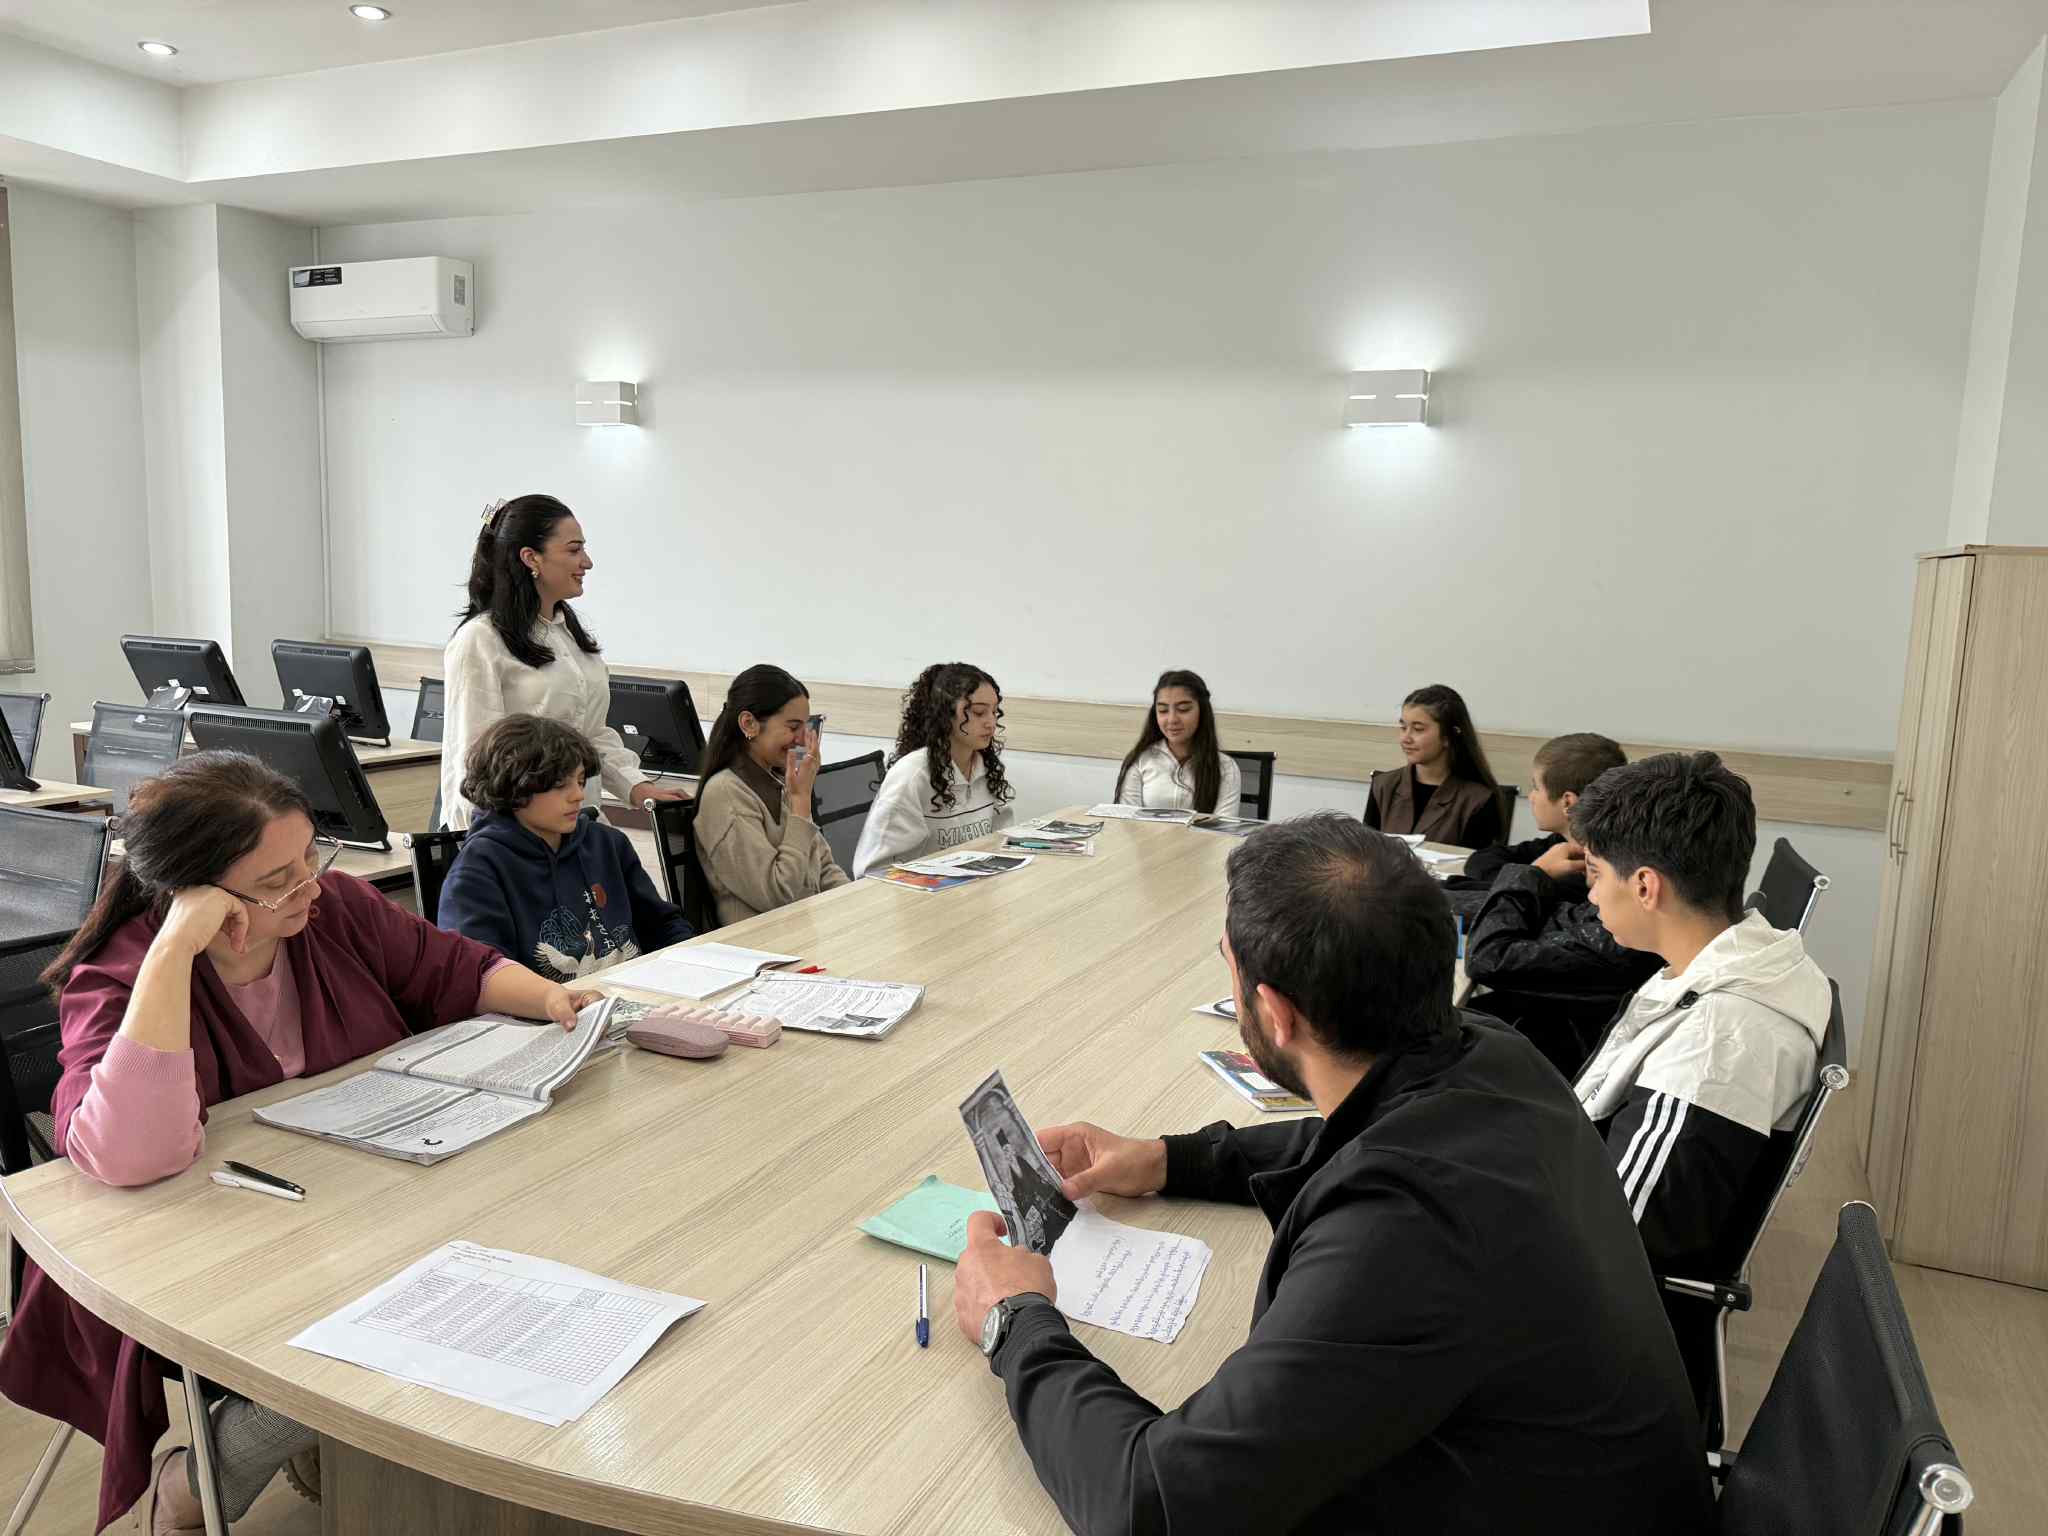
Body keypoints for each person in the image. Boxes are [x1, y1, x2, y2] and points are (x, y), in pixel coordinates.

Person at [950, 815, 1714, 1535]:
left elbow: (1151, 1507)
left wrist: (1015, 1320)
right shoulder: (1493, 1053)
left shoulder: (1407, 1231)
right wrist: (1165, 1159)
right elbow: (1349, 1136)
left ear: (1275, 1014)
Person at [0, 753, 599, 1534]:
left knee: (512, 1260)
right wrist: (174, 951)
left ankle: (336, 1443)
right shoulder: (119, 974)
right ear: (194, 891)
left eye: (312, 856)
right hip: (207, 1250)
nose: (309, 886)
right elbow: (131, 1155)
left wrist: (553, 998)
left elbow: (455, 970)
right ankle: (207, 1477)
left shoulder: (333, 909)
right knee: (408, 1316)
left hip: (352, 1205)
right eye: (278, 879)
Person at [1569, 751, 1830, 1416]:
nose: (1590, 896)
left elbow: (1621, 1241)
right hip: (1582, 1221)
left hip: (1604, 1352)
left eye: (1596, 875)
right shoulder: (1740, 958)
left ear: (1646, 886)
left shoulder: (1718, 1044)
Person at [438, 494, 689, 830]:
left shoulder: (571, 637)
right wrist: (478, 841)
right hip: (515, 834)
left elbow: (591, 734)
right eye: (574, 550)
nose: (587, 562)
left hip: (579, 825)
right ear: (531, 558)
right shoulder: (480, 639)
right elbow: (472, 758)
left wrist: (637, 787)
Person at [1456, 733, 1661, 1076]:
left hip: (1551, 1051)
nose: (1590, 892)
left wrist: (1533, 875)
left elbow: (1488, 958)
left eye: (1596, 869)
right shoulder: (1610, 911)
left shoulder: (1615, 936)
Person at [436, 714, 692, 976]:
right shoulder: (478, 870)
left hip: (634, 991)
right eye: (560, 785)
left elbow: (662, 925)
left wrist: (695, 962)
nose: (578, 795)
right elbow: (482, 975)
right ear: (513, 787)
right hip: (549, 1002)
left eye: (580, 781)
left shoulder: (607, 843)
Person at [692, 664, 852, 926]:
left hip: (806, 928)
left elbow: (823, 867)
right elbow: (778, 897)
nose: (802, 740)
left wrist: (855, 903)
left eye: (806, 727)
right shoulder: (726, 794)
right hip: (764, 941)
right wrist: (801, 802)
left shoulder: (778, 780)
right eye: (793, 727)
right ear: (749, 724)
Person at [851, 662, 1016, 878]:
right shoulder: (912, 776)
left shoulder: (986, 769)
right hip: (917, 894)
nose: (991, 723)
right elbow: (872, 872)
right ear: (946, 715)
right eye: (978, 712)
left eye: (994, 712)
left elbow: (1002, 841)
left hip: (972, 887)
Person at [1363, 683, 1504, 848]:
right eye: (1403, 727)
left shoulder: (1478, 800)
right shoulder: (1383, 785)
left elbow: (1477, 863)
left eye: (1418, 729)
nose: (1406, 738)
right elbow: (1365, 852)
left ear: (1448, 737)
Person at [1112, 669, 1243, 815]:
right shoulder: (1140, 759)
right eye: (1163, 710)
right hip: (1144, 831)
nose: (1172, 719)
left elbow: (1224, 826)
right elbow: (1126, 819)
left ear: (1202, 711)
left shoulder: (1225, 767)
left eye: (1183, 709)